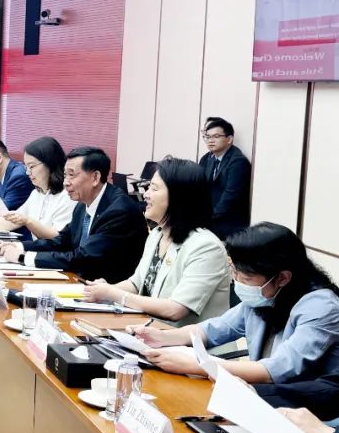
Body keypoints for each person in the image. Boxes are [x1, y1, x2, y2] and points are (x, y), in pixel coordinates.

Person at [126, 222, 339, 384]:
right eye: (234, 273)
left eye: (246, 278)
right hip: (261, 395)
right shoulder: (266, 295)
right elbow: (213, 329)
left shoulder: (321, 307)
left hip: (307, 411)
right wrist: (162, 337)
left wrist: (201, 366)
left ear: (283, 278)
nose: (237, 282)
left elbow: (278, 369)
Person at [81, 158, 230, 325]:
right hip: (148, 332)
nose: (146, 194)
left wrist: (114, 294)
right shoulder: (156, 234)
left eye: (154, 188)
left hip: (184, 339)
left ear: (178, 196)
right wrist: (104, 290)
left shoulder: (206, 247)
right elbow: (137, 284)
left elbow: (176, 309)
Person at [0, 146, 147, 281]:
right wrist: (18, 246)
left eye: (72, 175)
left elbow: (83, 257)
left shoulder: (118, 211)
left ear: (95, 177)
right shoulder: (82, 204)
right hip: (82, 282)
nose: (65, 182)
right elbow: (61, 241)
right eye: (65, 175)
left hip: (109, 292)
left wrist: (22, 257)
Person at [0, 136, 75, 240]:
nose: (27, 172)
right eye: (26, 167)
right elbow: (10, 221)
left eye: (31, 166)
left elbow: (58, 238)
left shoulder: (67, 196)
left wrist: (28, 222)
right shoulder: (36, 194)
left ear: (50, 164)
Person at [198, 117, 251, 240]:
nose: (210, 140)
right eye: (208, 137)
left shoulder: (238, 162)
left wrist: (204, 219)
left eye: (216, 136)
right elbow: (199, 188)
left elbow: (230, 198)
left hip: (229, 226)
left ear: (229, 139)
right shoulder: (206, 159)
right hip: (210, 221)